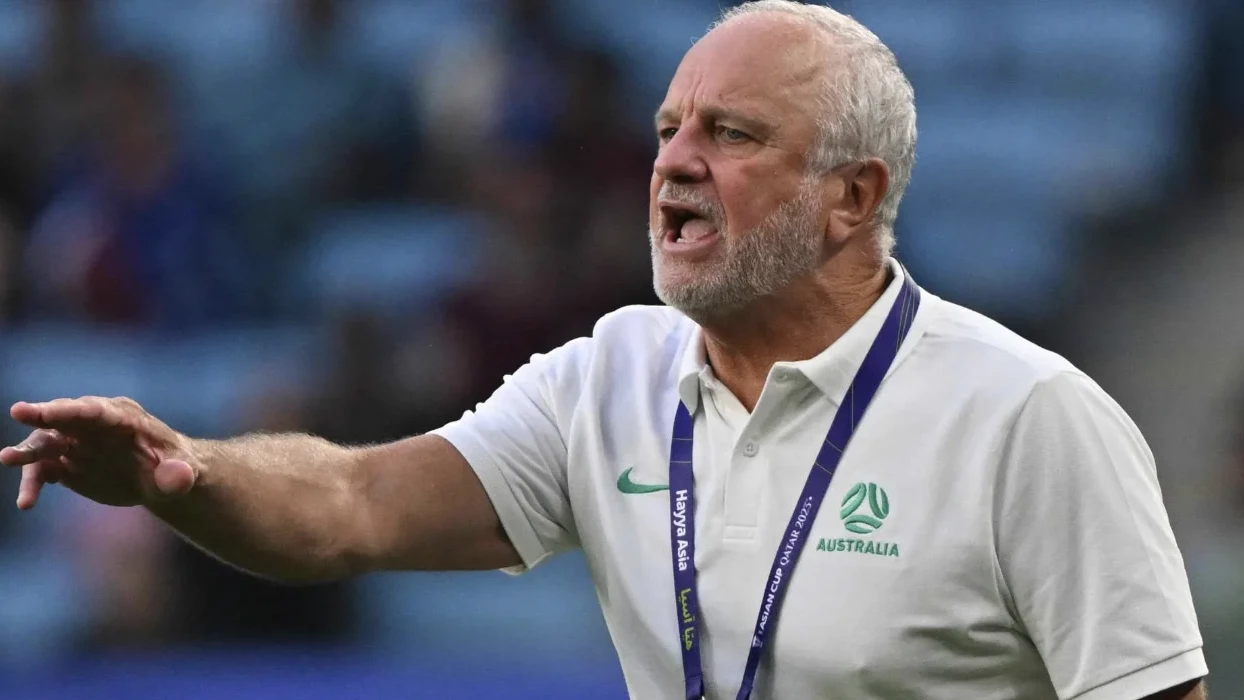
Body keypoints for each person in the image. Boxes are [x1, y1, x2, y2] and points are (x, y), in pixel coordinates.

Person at [1, 2, 1208, 699]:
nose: (673, 161)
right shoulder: (609, 377)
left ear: (851, 196)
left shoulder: (1027, 417)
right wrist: (183, 474)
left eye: (729, 134)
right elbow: (351, 506)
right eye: (667, 128)